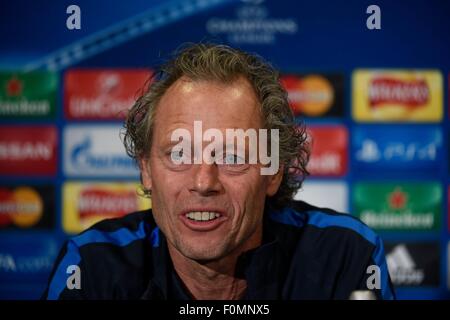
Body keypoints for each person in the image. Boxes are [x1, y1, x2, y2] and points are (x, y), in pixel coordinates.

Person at [43, 43, 395, 300]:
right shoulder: (92, 266)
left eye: (230, 156)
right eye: (180, 154)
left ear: (272, 172)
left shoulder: (345, 255)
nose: (203, 182)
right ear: (146, 169)